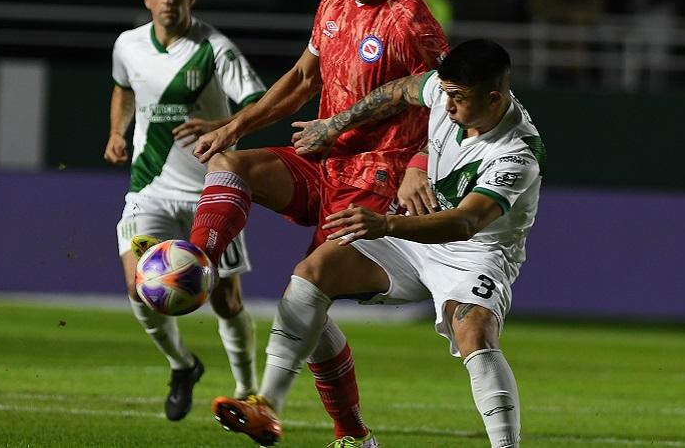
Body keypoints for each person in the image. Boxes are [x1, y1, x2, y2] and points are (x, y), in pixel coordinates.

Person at [186, 0, 449, 448]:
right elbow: (304, 79)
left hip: (376, 180)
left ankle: (325, 425)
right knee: (230, 163)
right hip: (323, 158)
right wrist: (235, 126)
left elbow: (446, 105)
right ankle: (196, 265)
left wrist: (419, 168)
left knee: (309, 288)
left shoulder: (413, 22)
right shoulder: (332, 2)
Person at [212, 39, 543, 448]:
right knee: (312, 274)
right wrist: (335, 126)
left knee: (473, 331)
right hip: (412, 234)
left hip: (476, 253)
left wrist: (385, 223)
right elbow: (397, 90)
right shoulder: (443, 93)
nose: (448, 104)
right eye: (445, 92)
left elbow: (465, 222)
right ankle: (267, 405)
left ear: (494, 98)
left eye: (458, 97)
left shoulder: (517, 154)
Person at [103, 0, 267, 421]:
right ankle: (183, 364)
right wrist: (118, 130)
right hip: (149, 189)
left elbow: (257, 103)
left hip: (210, 193)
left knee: (226, 300)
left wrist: (220, 124)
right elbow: (122, 88)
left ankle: (247, 390)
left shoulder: (215, 48)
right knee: (141, 287)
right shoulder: (128, 45)